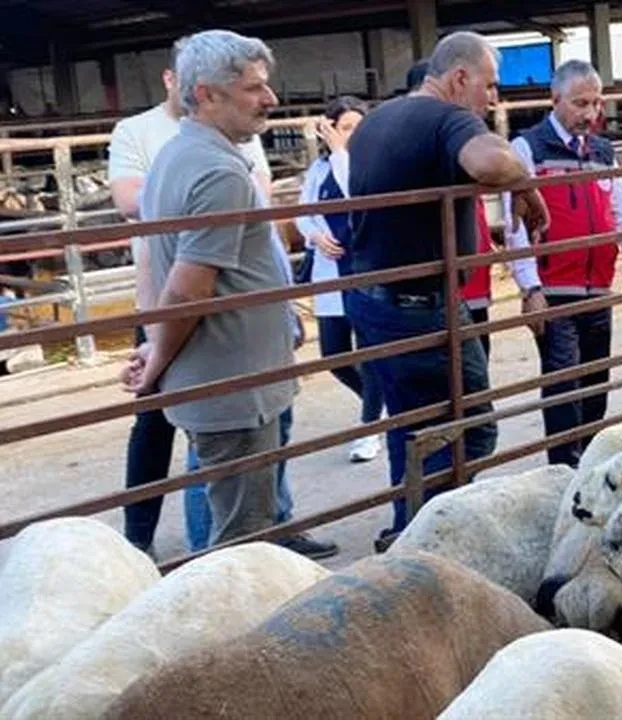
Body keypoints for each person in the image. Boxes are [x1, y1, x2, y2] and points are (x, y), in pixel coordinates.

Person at [108, 35, 334, 559]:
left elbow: (164, 265)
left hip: (223, 378)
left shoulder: (176, 155)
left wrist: (155, 346)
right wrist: (160, 356)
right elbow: (189, 285)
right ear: (207, 94)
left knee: (234, 528)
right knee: (241, 546)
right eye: (253, 88)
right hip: (235, 391)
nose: (271, 98)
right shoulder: (217, 170)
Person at [344, 32, 548, 545]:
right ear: (460, 78)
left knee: (412, 427)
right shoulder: (449, 118)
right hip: (421, 304)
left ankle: (405, 527)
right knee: (472, 428)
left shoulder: (376, 121)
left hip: (372, 297)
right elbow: (490, 163)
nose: (494, 98)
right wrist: (524, 183)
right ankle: (433, 543)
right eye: (491, 84)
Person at [504, 59, 622, 468]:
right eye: (581, 103)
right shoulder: (528, 148)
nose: (590, 113)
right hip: (555, 290)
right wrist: (530, 287)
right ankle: (563, 468)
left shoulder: (601, 150)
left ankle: (590, 467)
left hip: (598, 287)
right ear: (555, 99)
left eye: (596, 103)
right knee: (564, 385)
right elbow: (515, 224)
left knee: (596, 382)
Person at [294, 95, 384, 463]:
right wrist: (315, 235)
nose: (350, 135)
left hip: (363, 269)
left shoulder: (368, 165)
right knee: (335, 355)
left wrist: (340, 151)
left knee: (370, 350)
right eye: (344, 128)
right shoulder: (319, 170)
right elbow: (303, 211)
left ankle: (368, 430)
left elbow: (355, 194)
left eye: (357, 128)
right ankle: (376, 407)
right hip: (331, 271)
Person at [406, 59, 500, 357]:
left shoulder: (462, 137)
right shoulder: (435, 138)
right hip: (442, 287)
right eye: (488, 86)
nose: (493, 97)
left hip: (473, 279)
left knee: (476, 362)